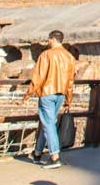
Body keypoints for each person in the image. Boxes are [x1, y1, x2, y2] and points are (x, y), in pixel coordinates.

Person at [22, 30, 76, 169]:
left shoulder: (46, 54)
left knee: (49, 123)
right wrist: (69, 98)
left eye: (48, 40)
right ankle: (37, 153)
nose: (48, 42)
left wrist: (27, 95)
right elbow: (70, 80)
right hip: (61, 93)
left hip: (47, 92)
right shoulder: (69, 57)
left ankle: (55, 157)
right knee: (48, 123)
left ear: (52, 40)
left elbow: (38, 77)